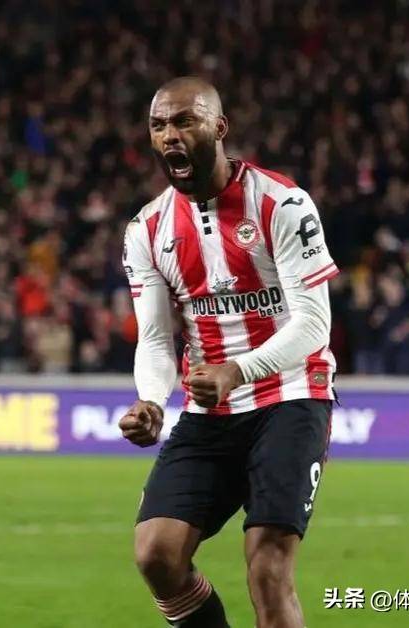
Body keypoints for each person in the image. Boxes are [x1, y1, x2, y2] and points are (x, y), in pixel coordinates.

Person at [119, 77, 337, 628]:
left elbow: (314, 323)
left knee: (268, 569)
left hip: (291, 396)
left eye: (184, 121)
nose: (169, 135)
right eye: (158, 125)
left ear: (219, 128)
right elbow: (155, 338)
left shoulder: (282, 203)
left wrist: (237, 370)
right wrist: (151, 399)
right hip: (210, 410)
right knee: (156, 554)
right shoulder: (147, 229)